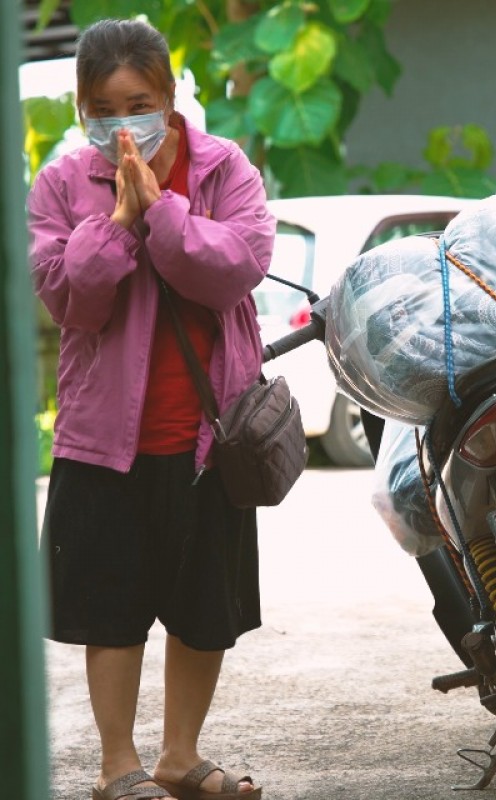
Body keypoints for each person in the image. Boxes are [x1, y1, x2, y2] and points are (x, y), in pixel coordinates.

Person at [27, 18, 275, 800]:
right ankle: (117, 766)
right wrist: (121, 221)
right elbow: (71, 299)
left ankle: (179, 756)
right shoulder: (63, 186)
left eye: (137, 102)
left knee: (205, 609)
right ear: (80, 110)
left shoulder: (223, 169)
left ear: (168, 98)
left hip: (211, 437)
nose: (120, 123)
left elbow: (235, 269)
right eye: (102, 108)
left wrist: (164, 212)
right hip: (105, 441)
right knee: (113, 609)